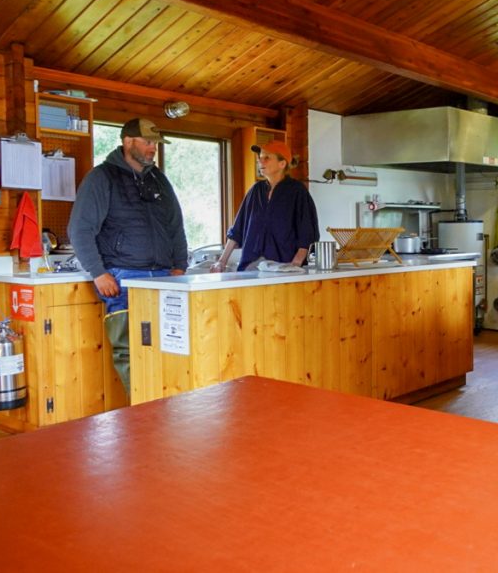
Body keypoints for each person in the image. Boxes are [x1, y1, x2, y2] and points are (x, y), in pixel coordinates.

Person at [68, 118, 188, 397]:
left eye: (155, 144)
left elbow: (176, 226)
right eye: (147, 142)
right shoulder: (102, 177)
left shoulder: (160, 179)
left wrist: (180, 266)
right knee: (129, 351)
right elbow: (80, 229)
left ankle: (166, 415)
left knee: (171, 348)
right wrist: (98, 272)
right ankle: (143, 415)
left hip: (164, 278)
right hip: (123, 278)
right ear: (128, 142)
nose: (152, 149)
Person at [212, 140, 319, 272]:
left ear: (282, 163)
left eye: (266, 158)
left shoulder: (297, 191)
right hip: (250, 267)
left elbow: (307, 234)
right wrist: (221, 262)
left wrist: (294, 265)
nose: (260, 161)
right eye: (260, 158)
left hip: (283, 269)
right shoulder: (255, 191)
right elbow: (237, 231)